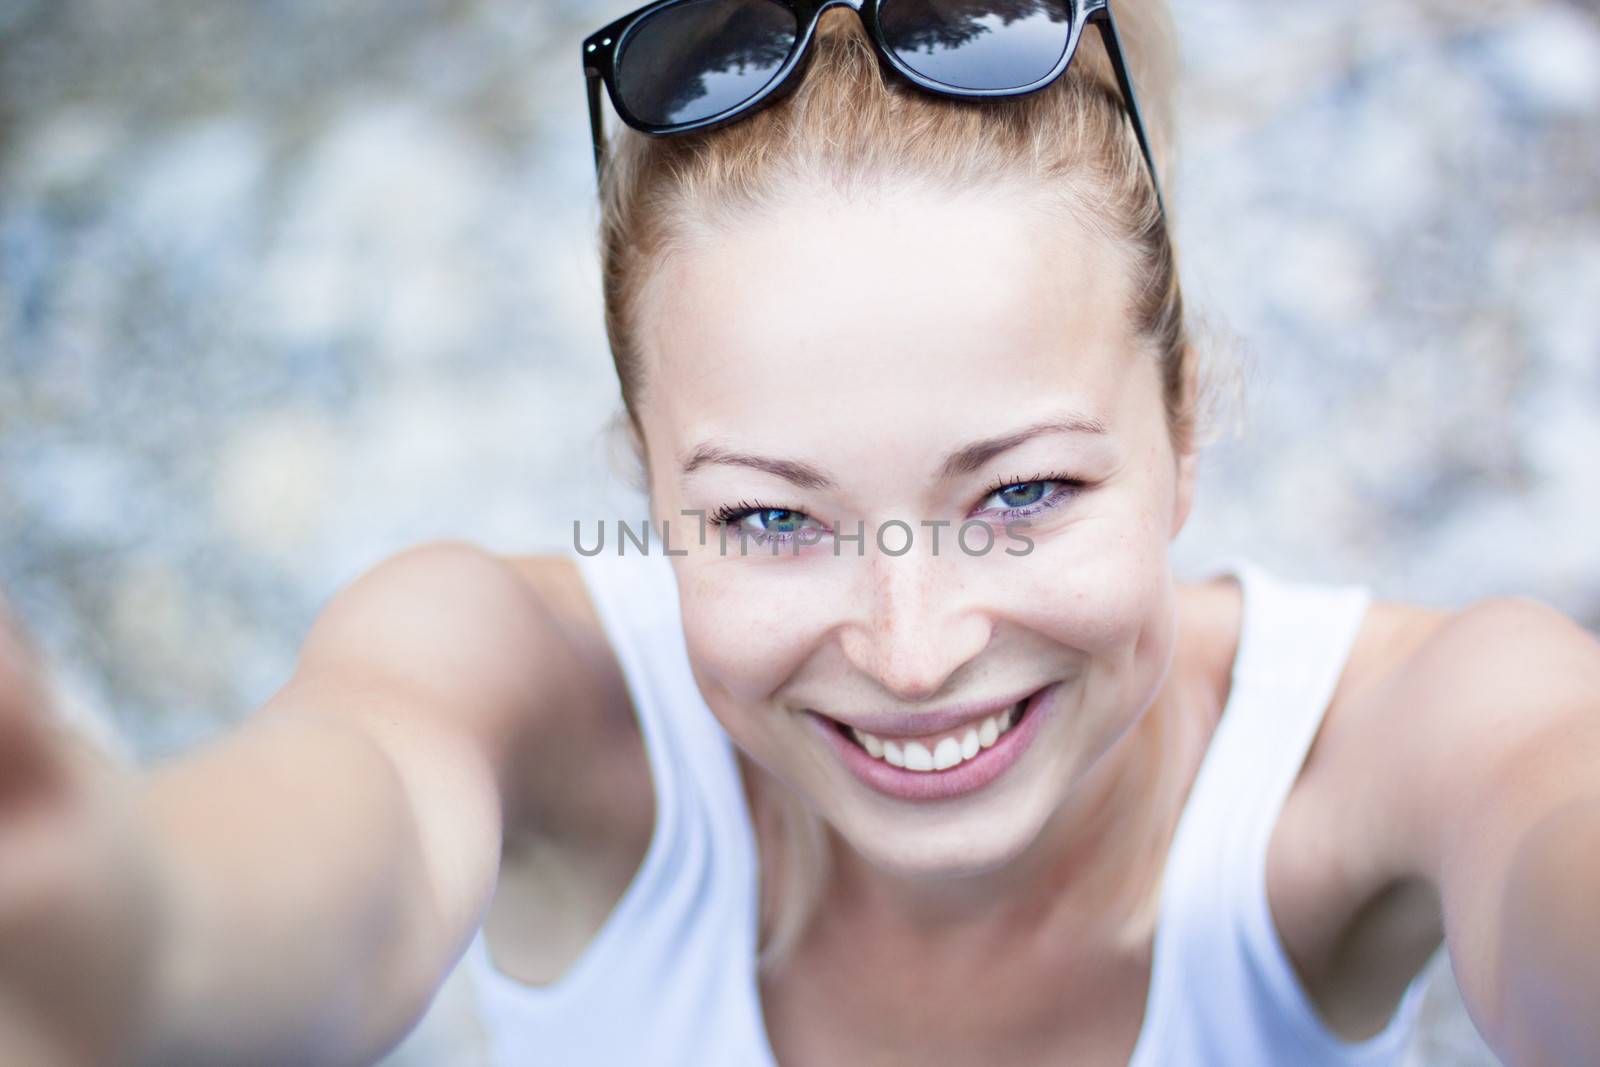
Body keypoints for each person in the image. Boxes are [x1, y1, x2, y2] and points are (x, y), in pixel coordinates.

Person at [2, 1, 1598, 1065]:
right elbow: (346, 847)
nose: (913, 655)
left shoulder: (1378, 752)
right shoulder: (527, 691)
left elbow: (1551, 841)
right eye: (769, 516)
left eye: (1022, 494)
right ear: (645, 492)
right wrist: (118, 929)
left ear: (1185, 430)